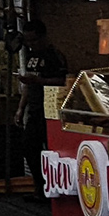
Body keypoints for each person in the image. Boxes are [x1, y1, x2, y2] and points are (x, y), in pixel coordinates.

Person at [15, 20, 68, 191]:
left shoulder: (54, 56)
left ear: (43, 37)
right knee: (29, 147)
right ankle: (40, 185)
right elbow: (28, 86)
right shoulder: (30, 57)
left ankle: (54, 186)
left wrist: (40, 81)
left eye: (34, 40)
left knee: (53, 149)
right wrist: (21, 108)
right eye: (28, 41)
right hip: (35, 109)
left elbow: (63, 81)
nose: (31, 44)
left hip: (52, 111)